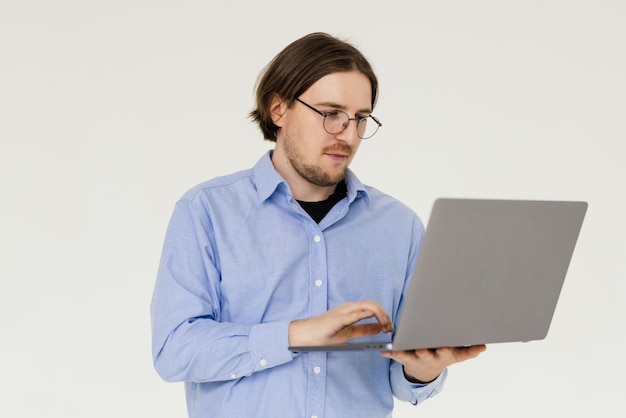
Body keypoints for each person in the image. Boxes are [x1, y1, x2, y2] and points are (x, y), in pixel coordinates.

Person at [150, 32, 486, 418]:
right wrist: (296, 334)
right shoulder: (206, 211)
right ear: (278, 110)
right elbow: (173, 351)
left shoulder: (399, 226)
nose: (347, 133)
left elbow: (401, 378)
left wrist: (424, 369)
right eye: (331, 114)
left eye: (360, 118)